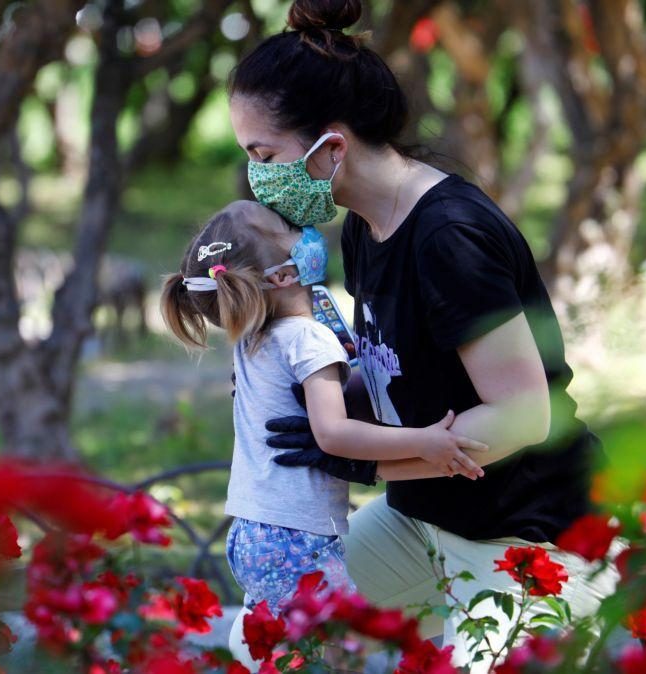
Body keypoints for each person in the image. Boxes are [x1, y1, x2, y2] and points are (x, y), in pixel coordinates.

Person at [226, 0, 616, 670]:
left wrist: (361, 460)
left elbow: (523, 416)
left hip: (530, 533)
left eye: (264, 154)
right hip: (423, 518)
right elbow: (397, 365)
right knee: (265, 640)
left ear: (332, 146)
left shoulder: (447, 238)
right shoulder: (362, 225)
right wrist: (315, 387)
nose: (257, 177)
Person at [159, 201, 489, 635]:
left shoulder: (254, 338)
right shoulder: (311, 338)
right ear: (282, 276)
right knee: (331, 653)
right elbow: (332, 434)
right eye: (288, 227)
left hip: (251, 533)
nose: (306, 231)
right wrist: (423, 441)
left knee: (294, 651)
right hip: (297, 539)